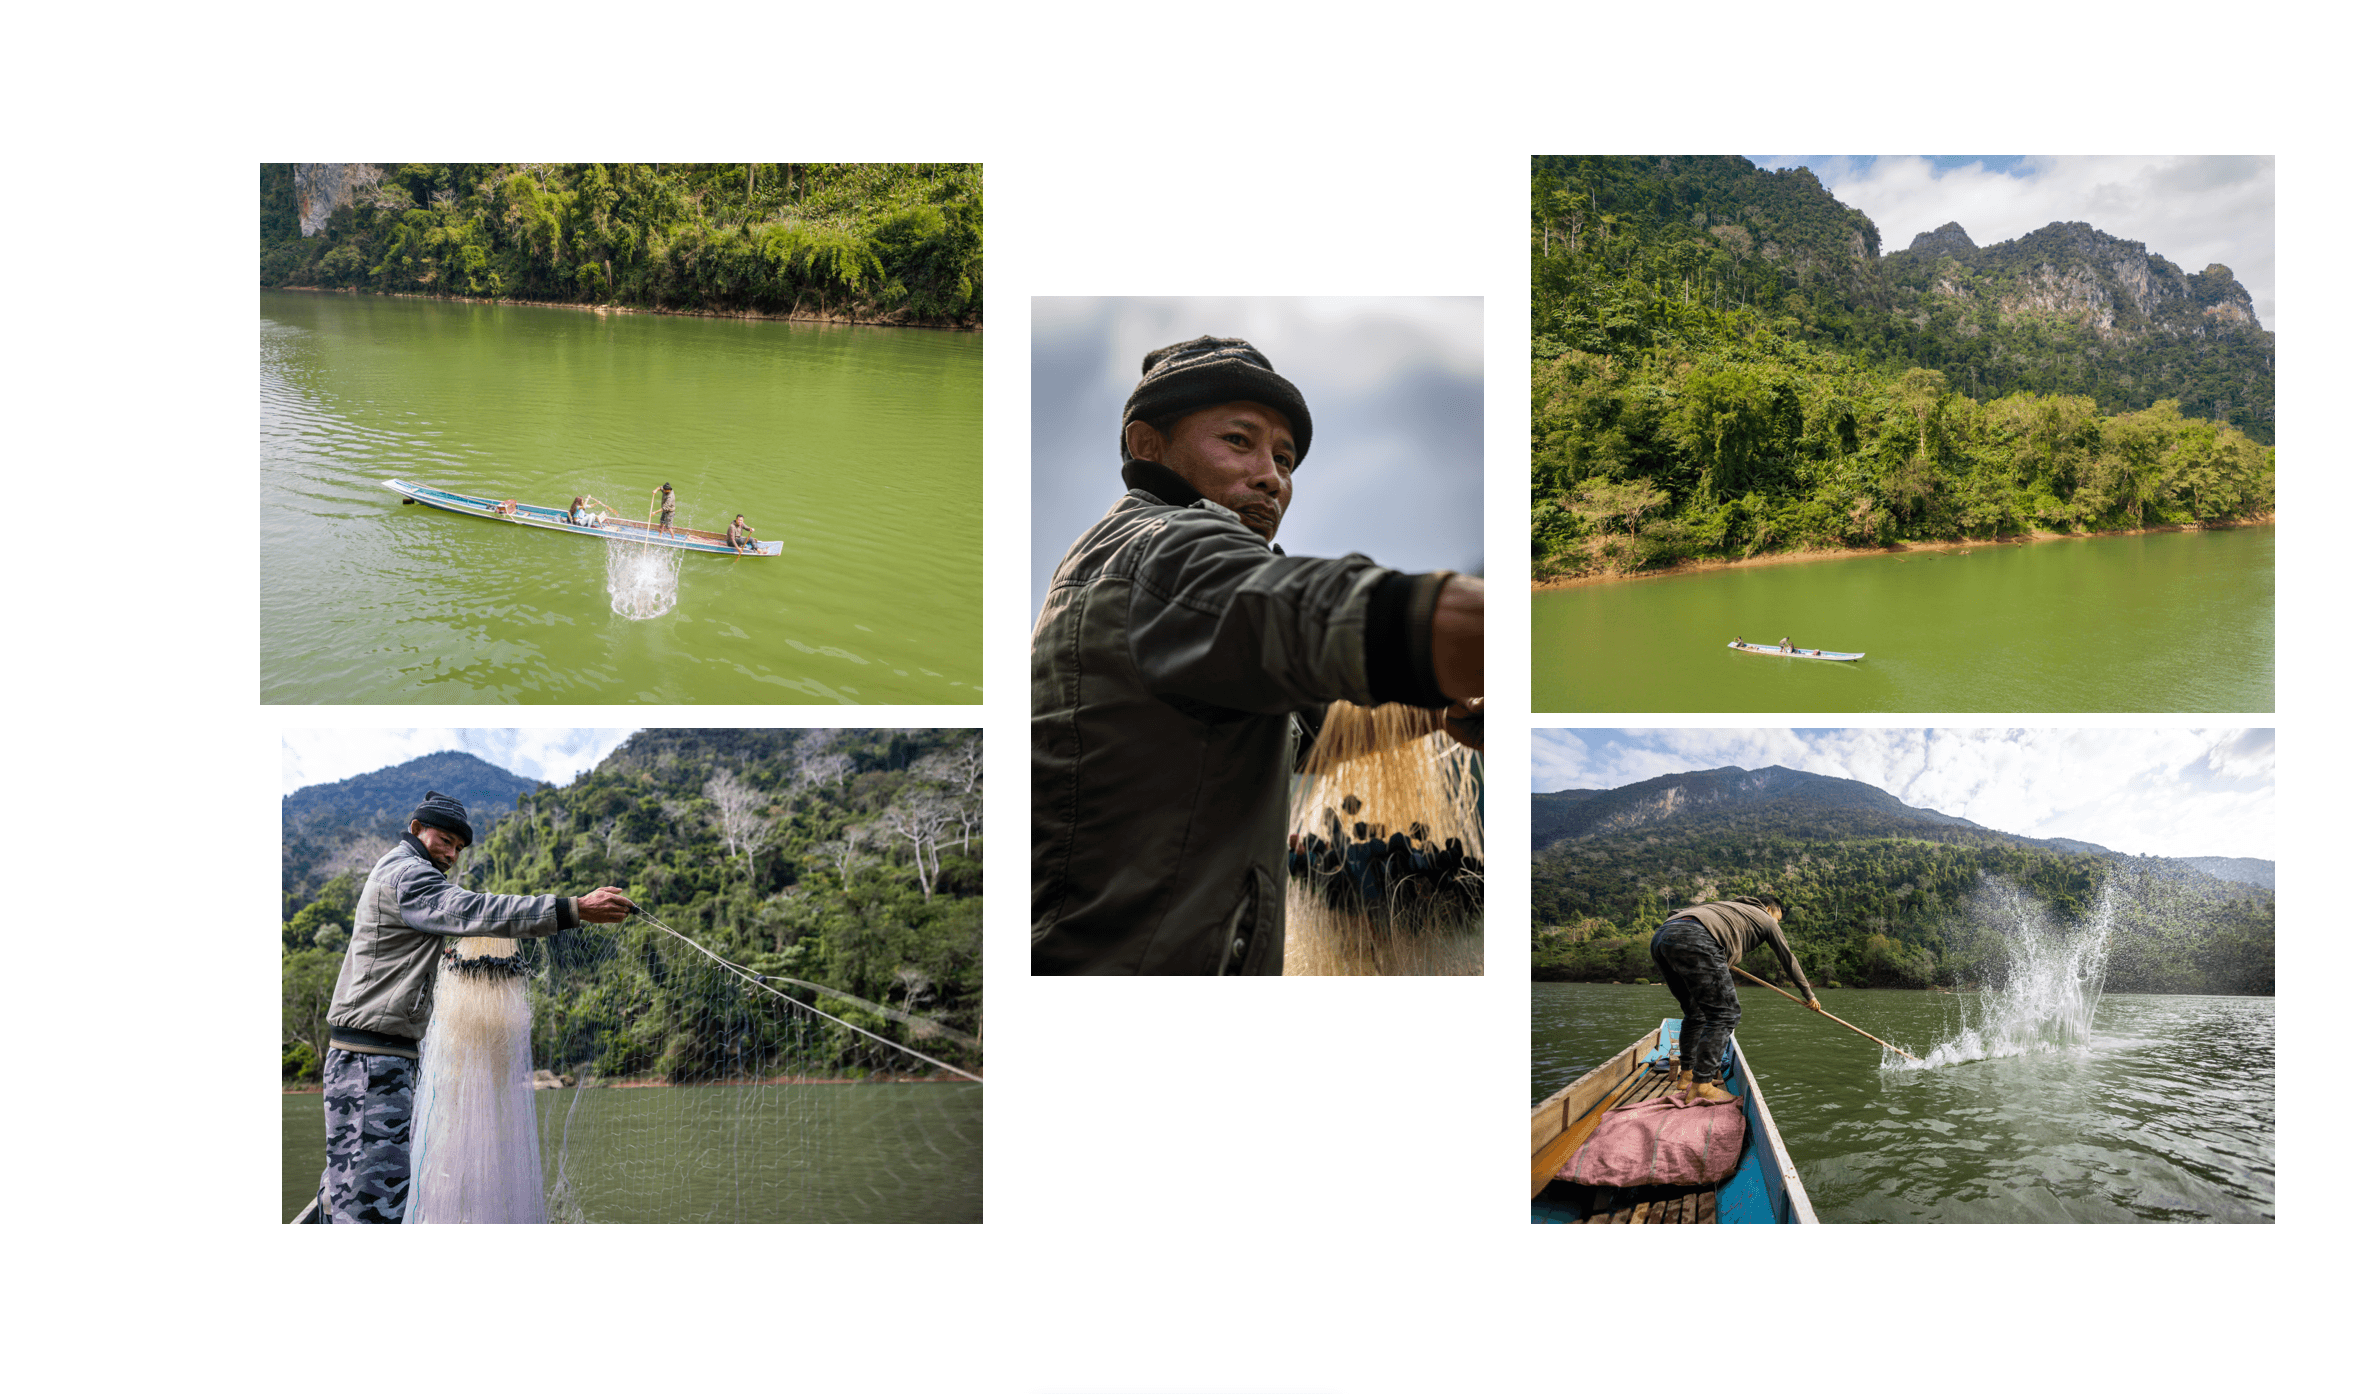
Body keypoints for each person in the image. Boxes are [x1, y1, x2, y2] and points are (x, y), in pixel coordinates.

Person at [1030, 335, 1483, 974]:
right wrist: (1473, 627)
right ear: (1148, 446)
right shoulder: (1161, 549)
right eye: (1238, 441)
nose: (1272, 476)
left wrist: (1436, 715)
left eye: (1285, 458)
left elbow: (1306, 731)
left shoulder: (1154, 599)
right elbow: (1307, 606)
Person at [312, 791, 634, 1222]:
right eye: (444, 840)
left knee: (351, 1178)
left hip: (377, 1057)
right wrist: (573, 909)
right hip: (372, 1060)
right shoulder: (409, 876)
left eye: (458, 848)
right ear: (416, 829)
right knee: (373, 1201)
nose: (451, 854)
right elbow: (473, 909)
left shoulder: (404, 872)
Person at [1649, 895, 1819, 1104]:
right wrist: (1809, 994)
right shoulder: (1765, 919)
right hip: (1697, 938)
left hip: (1662, 937)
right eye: (1778, 918)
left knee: (1695, 1014)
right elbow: (1788, 959)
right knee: (1725, 1013)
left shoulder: (1724, 906)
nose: (1776, 923)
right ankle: (1702, 1085)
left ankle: (1688, 1075)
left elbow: (1674, 915)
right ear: (1768, 909)